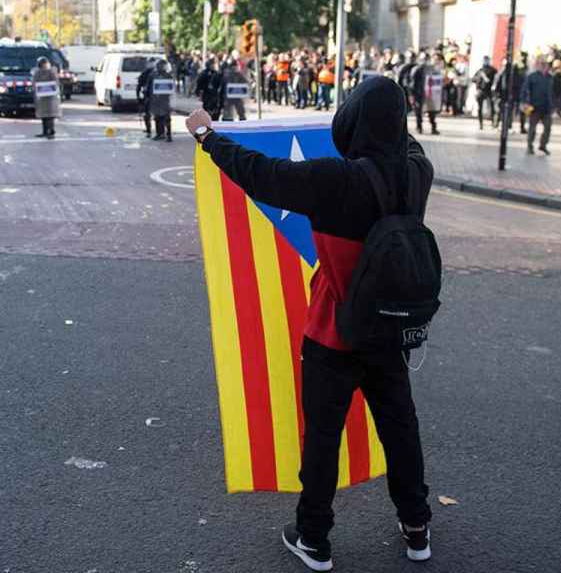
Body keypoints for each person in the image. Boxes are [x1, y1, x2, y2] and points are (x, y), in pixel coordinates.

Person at [185, 74, 434, 573]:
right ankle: (417, 528)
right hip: (389, 332)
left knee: (323, 435)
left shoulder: (334, 181)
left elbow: (261, 173)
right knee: (400, 428)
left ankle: (314, 538)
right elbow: (399, 138)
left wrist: (207, 137)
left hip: (334, 332)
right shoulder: (417, 172)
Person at [521, 57, 554, 156]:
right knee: (532, 128)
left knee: (548, 128)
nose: (544, 65)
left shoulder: (550, 78)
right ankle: (529, 146)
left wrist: (554, 105)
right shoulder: (532, 76)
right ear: (537, 65)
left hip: (546, 107)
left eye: (545, 64)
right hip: (534, 106)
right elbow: (524, 90)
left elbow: (554, 93)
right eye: (541, 63)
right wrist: (524, 102)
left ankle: (543, 145)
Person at [32, 56, 61, 139]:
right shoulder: (37, 73)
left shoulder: (51, 72)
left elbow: (56, 82)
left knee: (50, 115)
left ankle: (51, 131)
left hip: (50, 97)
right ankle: (45, 131)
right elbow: (34, 83)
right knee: (44, 115)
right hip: (42, 98)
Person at [148, 59, 174, 141]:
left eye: (163, 65)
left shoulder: (168, 75)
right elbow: (149, 87)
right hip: (155, 99)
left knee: (166, 117)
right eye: (160, 65)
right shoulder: (152, 75)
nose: (162, 67)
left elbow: (171, 87)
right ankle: (159, 133)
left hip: (164, 99)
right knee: (157, 117)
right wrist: (147, 97)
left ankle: (168, 134)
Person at [472, 56, 497, 130]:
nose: (485, 61)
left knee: (492, 107)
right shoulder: (480, 70)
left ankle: (493, 122)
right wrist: (478, 80)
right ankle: (481, 123)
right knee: (480, 108)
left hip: (489, 91)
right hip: (481, 90)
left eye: (487, 60)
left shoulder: (493, 70)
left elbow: (496, 79)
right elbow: (474, 79)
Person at [137, 62, 155, 137]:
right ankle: (164, 132)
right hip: (157, 97)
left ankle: (149, 131)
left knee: (147, 114)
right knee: (161, 115)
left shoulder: (145, 73)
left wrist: (138, 96)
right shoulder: (156, 73)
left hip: (149, 96)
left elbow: (139, 86)